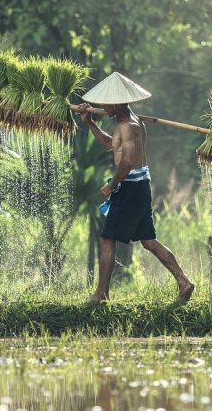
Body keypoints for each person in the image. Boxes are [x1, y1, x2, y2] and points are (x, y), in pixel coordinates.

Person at [77, 99, 194, 303]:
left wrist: (110, 186)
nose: (104, 108)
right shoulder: (132, 122)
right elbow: (109, 145)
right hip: (139, 185)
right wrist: (90, 122)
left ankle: (101, 293)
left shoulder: (129, 126)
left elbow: (128, 161)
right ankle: (184, 282)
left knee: (107, 239)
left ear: (118, 104)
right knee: (148, 241)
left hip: (131, 186)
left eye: (107, 104)